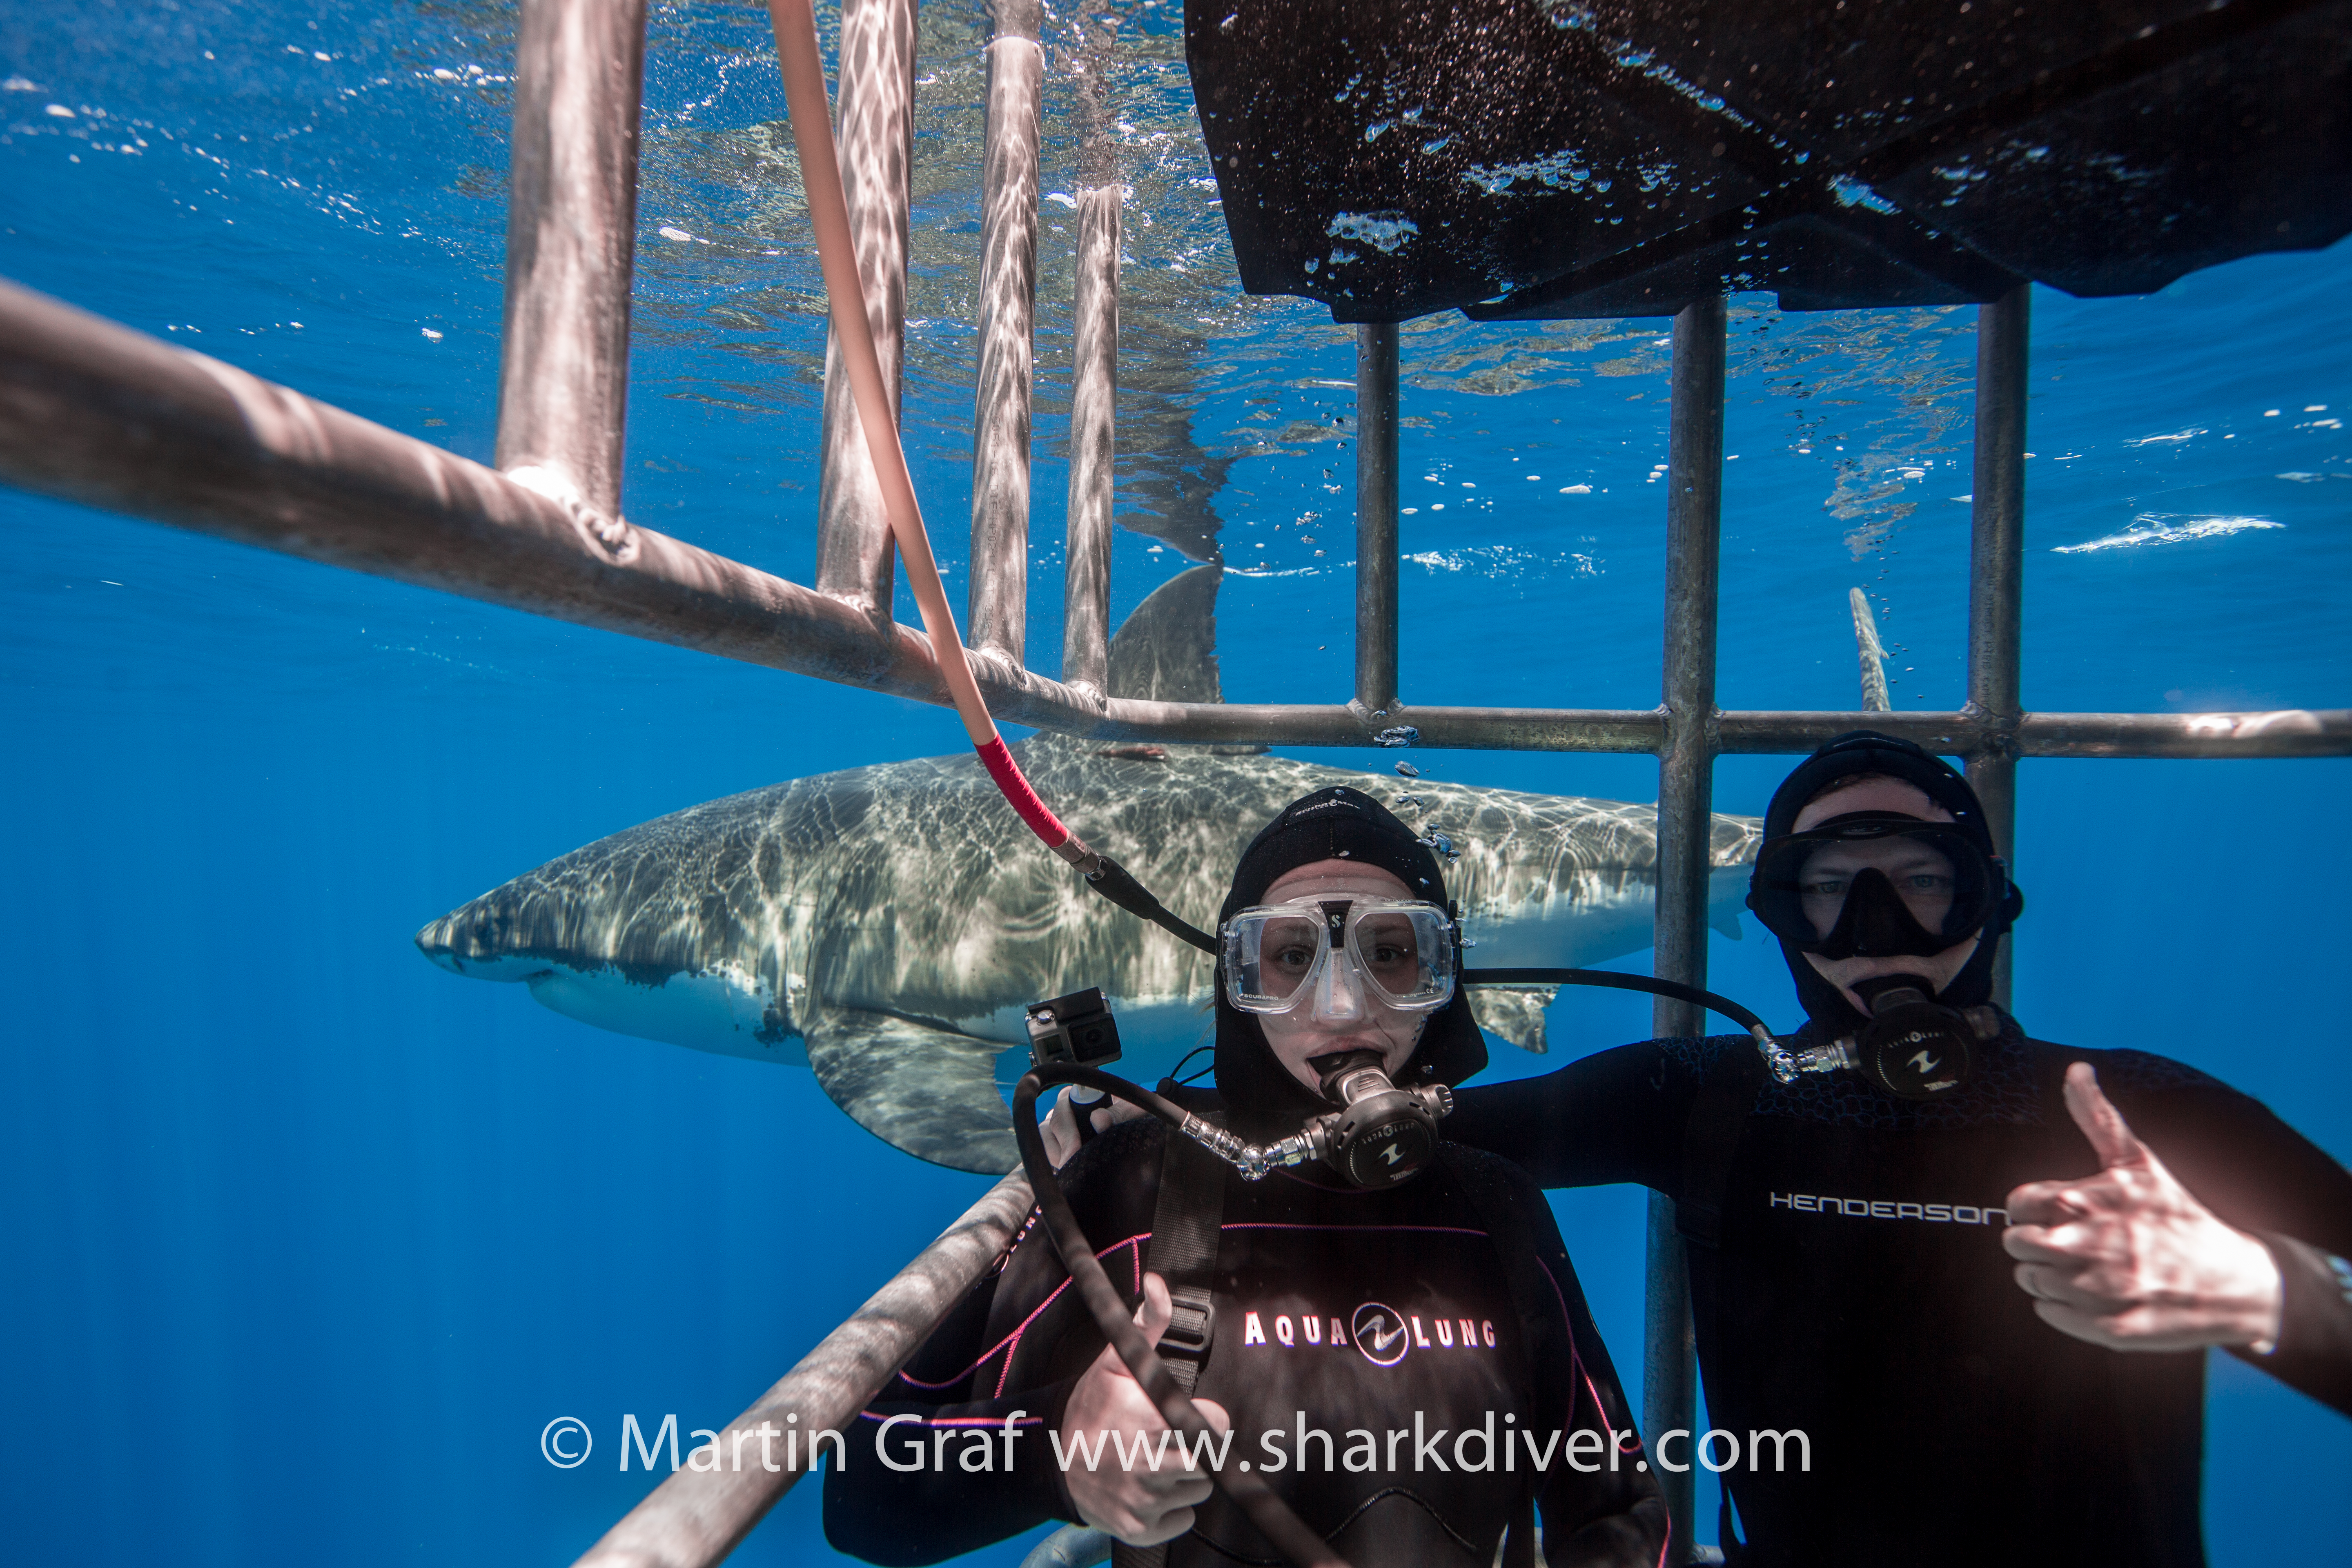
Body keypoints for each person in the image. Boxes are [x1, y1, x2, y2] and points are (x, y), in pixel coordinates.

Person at [1428, 731, 2352, 1567]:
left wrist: (2264, 1289)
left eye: (1923, 882)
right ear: (1778, 914)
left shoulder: (2145, 1111)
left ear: (1989, 899)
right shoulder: (1699, 1095)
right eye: (1826, 891)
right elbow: (1380, 1149)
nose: (1876, 933)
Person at [824, 788, 1669, 1568]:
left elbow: (1620, 1512)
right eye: (1290, 956)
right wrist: (1055, 1453)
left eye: (1392, 953)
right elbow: (865, 1488)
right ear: (1237, 986)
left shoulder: (1498, 1204)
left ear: (1442, 984)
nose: (1343, 1007)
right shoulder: (1133, 1190)